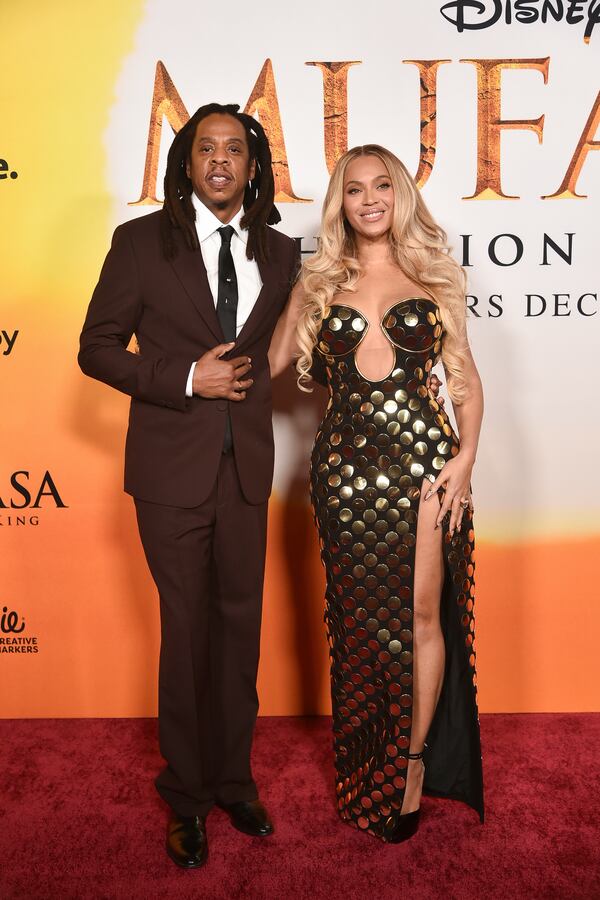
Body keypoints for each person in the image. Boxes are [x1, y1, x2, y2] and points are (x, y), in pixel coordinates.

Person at [79, 103, 298, 868]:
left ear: (252, 165)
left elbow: (297, 338)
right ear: (186, 163)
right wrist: (183, 377)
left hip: (247, 472)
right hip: (170, 474)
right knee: (186, 633)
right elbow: (97, 349)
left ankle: (236, 780)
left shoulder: (281, 252)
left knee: (239, 632)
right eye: (205, 148)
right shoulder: (140, 244)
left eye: (234, 149)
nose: (219, 160)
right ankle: (188, 793)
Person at [269, 144, 484, 842]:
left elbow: (465, 383)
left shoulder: (432, 275)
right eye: (355, 189)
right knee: (361, 629)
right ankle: (367, 764)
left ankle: (412, 764)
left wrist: (468, 457)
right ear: (341, 202)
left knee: (420, 618)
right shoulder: (320, 281)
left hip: (424, 469)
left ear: (400, 196)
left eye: (382, 186)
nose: (369, 199)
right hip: (343, 475)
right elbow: (270, 363)